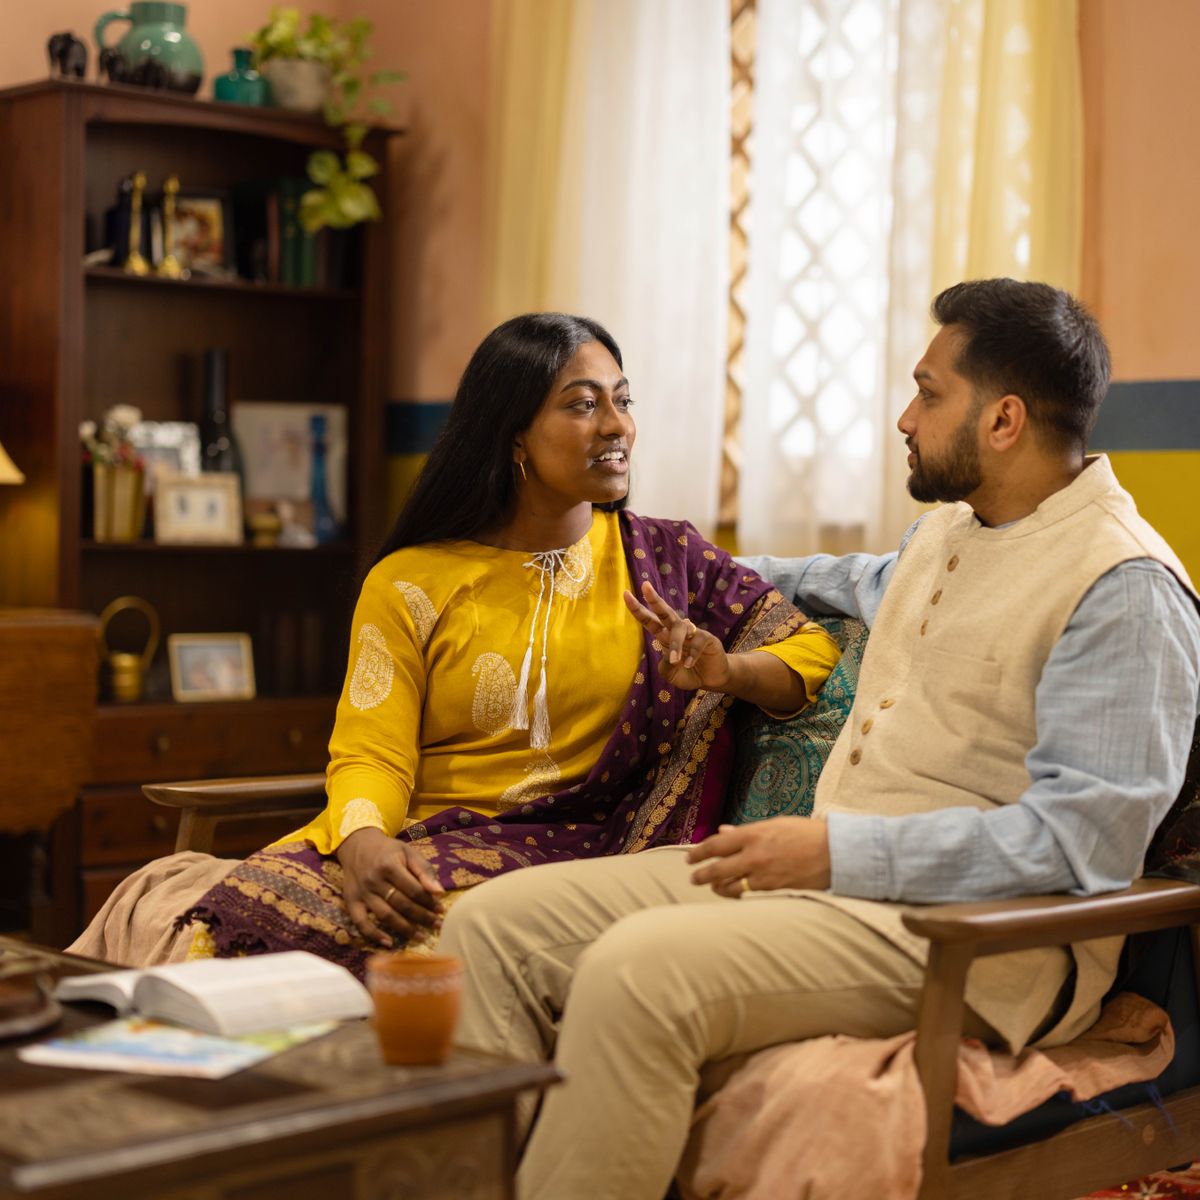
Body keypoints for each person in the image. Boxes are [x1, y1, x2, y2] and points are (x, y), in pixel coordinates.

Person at [436, 279, 1200, 1200]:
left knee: (636, 976)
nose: (905, 418)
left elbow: (1084, 845)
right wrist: (643, 573)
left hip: (980, 941)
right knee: (489, 929)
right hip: (830, 888)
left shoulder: (1122, 588)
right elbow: (820, 578)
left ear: (1003, 420)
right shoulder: (950, 536)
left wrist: (837, 851)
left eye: (928, 394)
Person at [70, 313, 840, 970]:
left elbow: (809, 651)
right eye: (584, 404)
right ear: (513, 434)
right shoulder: (413, 581)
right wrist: (363, 842)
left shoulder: (666, 561)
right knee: (213, 925)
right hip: (417, 837)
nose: (617, 426)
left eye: (623, 400)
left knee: (402, 943)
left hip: (583, 855)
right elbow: (372, 749)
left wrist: (728, 671)